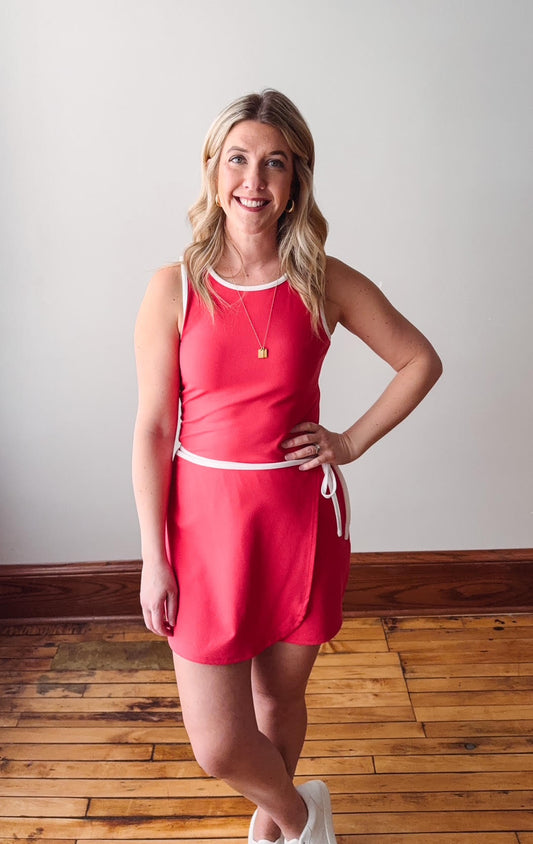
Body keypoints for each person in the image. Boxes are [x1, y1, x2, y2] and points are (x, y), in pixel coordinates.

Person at [132, 89, 442, 844]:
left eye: (275, 163)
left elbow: (418, 361)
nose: (254, 180)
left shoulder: (323, 280)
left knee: (277, 699)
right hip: (203, 528)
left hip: (297, 518)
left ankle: (273, 831)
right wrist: (153, 555)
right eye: (238, 159)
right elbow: (150, 428)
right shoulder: (172, 287)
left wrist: (350, 440)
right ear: (213, 172)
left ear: (296, 178)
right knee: (216, 743)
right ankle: (305, 816)